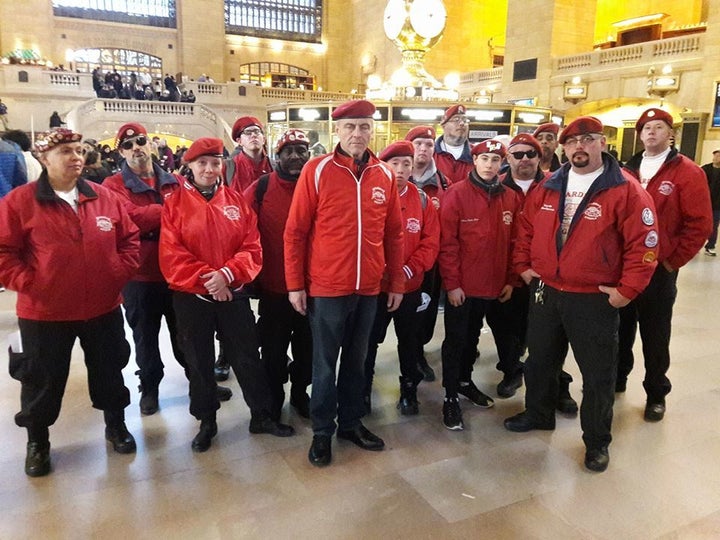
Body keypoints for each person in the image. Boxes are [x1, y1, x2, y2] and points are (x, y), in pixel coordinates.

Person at [504, 116, 659, 472]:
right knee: (540, 361)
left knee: (597, 374)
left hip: (594, 296)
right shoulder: (550, 185)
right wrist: (524, 266)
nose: (579, 147)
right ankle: (539, 413)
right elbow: (526, 229)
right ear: (562, 148)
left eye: (587, 140)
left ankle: (596, 442)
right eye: (571, 142)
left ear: (602, 143)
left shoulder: (626, 189)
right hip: (547, 290)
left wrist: (627, 290)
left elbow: (645, 244)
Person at [0, 128, 141, 477]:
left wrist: (117, 272)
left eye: (79, 150)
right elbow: (4, 252)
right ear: (43, 158)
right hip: (45, 312)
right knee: (41, 379)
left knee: (110, 370)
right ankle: (38, 442)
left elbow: (130, 240)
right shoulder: (20, 202)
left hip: (102, 307)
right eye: (65, 151)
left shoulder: (105, 198)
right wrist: (30, 283)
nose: (76, 157)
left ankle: (116, 425)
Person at [284, 99, 404, 467]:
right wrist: (295, 284)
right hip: (327, 287)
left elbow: (395, 234)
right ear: (337, 131)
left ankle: (351, 423)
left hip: (368, 288)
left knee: (358, 360)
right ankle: (322, 431)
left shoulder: (384, 174)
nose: (357, 133)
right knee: (324, 364)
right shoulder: (317, 171)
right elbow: (296, 231)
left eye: (364, 127)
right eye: (350, 126)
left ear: (372, 131)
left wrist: (395, 282)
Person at [159, 137, 294, 452]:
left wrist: (228, 276)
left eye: (215, 162)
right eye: (202, 163)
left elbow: (252, 246)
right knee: (199, 361)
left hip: (233, 293)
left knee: (247, 356)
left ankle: (261, 415)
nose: (209, 169)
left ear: (223, 164)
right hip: (192, 298)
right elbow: (171, 255)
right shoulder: (174, 204)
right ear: (189, 166)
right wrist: (209, 281)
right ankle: (206, 421)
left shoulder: (236, 201)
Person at [104, 123, 232, 416]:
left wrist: (162, 218)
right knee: (145, 337)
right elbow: (127, 219)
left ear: (149, 144)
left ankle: (201, 384)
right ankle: (149, 388)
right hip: (140, 274)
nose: (136, 148)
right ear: (121, 152)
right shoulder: (113, 185)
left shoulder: (174, 180)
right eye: (128, 145)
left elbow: (195, 213)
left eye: (140, 141)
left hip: (176, 273)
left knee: (186, 335)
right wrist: (170, 214)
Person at [616, 108, 713, 421]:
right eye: (646, 128)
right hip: (624, 268)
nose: (651, 133)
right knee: (620, 328)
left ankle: (656, 392)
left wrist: (672, 262)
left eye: (658, 127)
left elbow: (700, 224)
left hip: (659, 270)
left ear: (670, 134)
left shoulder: (687, 172)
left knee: (655, 334)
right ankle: (617, 377)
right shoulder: (626, 170)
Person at [438, 139, 522, 430]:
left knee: (472, 341)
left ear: (502, 164)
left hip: (496, 287)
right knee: (456, 341)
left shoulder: (510, 198)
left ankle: (464, 381)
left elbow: (515, 244)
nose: (489, 165)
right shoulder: (457, 195)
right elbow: (447, 244)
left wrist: (511, 280)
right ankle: (450, 396)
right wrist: (452, 284)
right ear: (474, 161)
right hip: (463, 287)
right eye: (484, 158)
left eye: (495, 160)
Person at [500, 133, 578, 411]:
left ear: (539, 158)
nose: (524, 160)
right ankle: (512, 371)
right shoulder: (496, 187)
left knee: (550, 337)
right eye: (517, 154)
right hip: (507, 274)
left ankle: (558, 384)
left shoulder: (556, 186)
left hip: (544, 275)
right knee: (509, 330)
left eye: (530, 154)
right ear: (508, 158)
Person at [364, 140, 440, 415]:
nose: (400, 169)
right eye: (394, 163)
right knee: (367, 341)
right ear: (384, 166)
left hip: (410, 287)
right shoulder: (371, 197)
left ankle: (409, 388)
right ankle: (362, 390)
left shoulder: (422, 200)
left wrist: (407, 269)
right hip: (376, 287)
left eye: (406, 164)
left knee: (409, 341)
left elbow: (430, 242)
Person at [243, 129, 313, 420]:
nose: (295, 156)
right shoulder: (260, 189)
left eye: (301, 150)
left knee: (308, 350)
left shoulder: (318, 187)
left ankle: (300, 394)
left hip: (313, 289)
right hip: (274, 290)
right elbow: (243, 234)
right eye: (288, 151)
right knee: (272, 352)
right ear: (277, 155)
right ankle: (274, 399)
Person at [214, 116, 273, 381]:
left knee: (271, 301)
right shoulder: (229, 168)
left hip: (269, 243)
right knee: (234, 303)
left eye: (257, 132)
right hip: (238, 245)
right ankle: (226, 353)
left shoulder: (275, 164)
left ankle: (266, 350)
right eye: (247, 133)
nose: (253, 137)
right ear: (238, 140)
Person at [406, 125, 450, 382]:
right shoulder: (392, 176)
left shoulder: (443, 183)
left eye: (428, 145)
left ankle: (417, 354)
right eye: (418, 143)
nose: (423, 149)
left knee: (423, 311)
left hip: (428, 262)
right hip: (392, 261)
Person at [434, 104, 473, 184]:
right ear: (444, 125)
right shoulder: (431, 154)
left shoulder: (477, 155)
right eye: (456, 120)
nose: (462, 123)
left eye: (465, 120)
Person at [702, 149, 720, 256]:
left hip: (717, 204)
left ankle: (710, 245)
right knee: (699, 225)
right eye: (717, 156)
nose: (718, 158)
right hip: (704, 202)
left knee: (714, 225)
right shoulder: (705, 169)